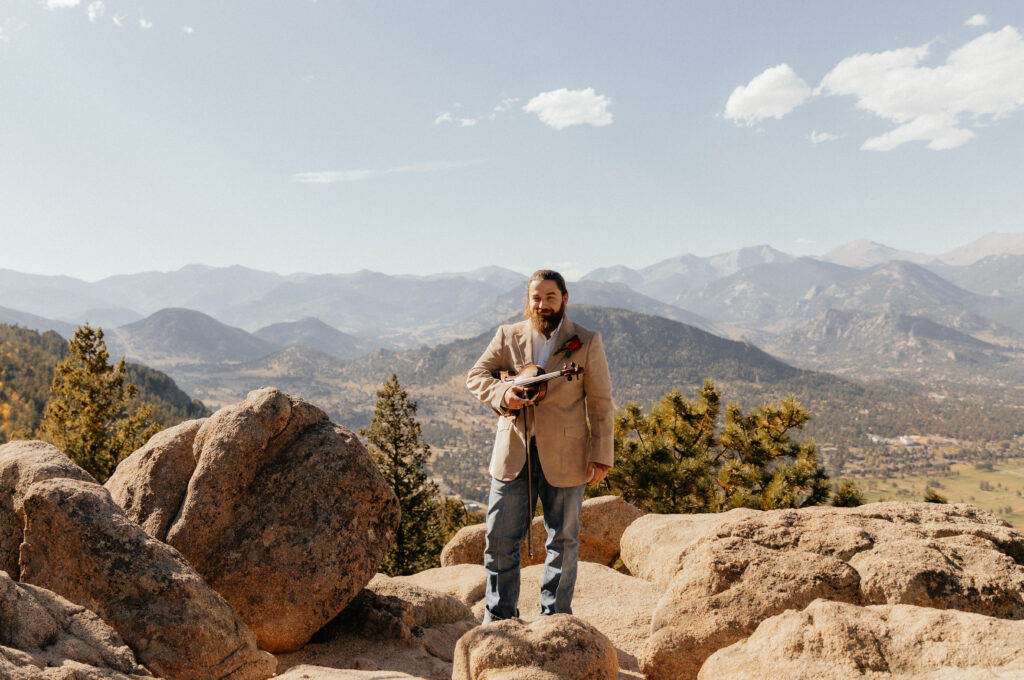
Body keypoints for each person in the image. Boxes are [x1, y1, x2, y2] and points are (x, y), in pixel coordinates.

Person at [466, 269, 613, 623]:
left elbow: (601, 402)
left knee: (562, 541)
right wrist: (505, 393)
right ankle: (499, 619)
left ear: (564, 298)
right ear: (527, 301)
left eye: (550, 297)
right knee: (500, 539)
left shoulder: (586, 340)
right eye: (536, 298)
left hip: (568, 454)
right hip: (513, 452)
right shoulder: (508, 335)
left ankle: (555, 618)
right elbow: (477, 376)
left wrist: (601, 454)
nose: (542, 304)